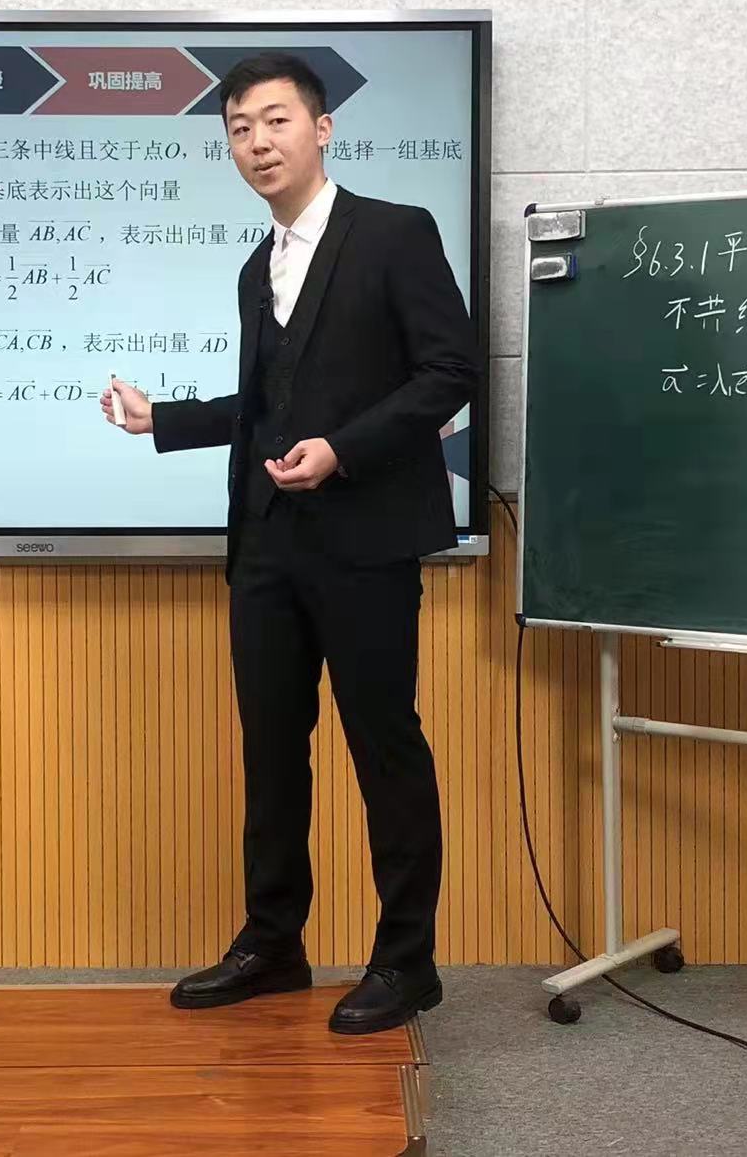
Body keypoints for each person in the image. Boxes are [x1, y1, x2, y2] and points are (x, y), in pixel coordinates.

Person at [101, 51, 478, 1035]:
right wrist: (163, 418)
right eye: (239, 128)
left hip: (365, 541)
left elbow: (449, 371)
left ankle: (406, 960)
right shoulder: (253, 266)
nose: (257, 142)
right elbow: (273, 404)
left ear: (322, 129)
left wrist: (342, 451)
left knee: (383, 746)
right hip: (267, 545)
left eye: (274, 120)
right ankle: (273, 943)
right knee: (271, 752)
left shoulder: (394, 232)